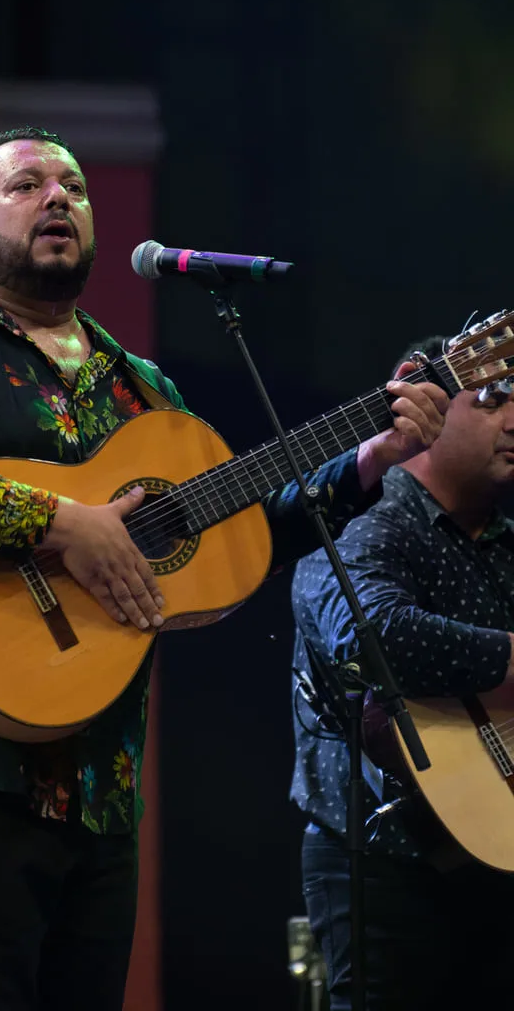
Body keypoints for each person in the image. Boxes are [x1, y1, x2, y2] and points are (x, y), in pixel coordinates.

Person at [0, 127, 447, 1011]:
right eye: (27, 186)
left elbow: (239, 538)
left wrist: (373, 457)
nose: (59, 197)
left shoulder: (145, 392)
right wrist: (66, 525)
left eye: (75, 186)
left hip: (103, 779)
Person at [290, 334, 514, 1011]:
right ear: (421, 400)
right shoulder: (361, 517)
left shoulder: (504, 540)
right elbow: (373, 638)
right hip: (385, 865)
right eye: (495, 399)